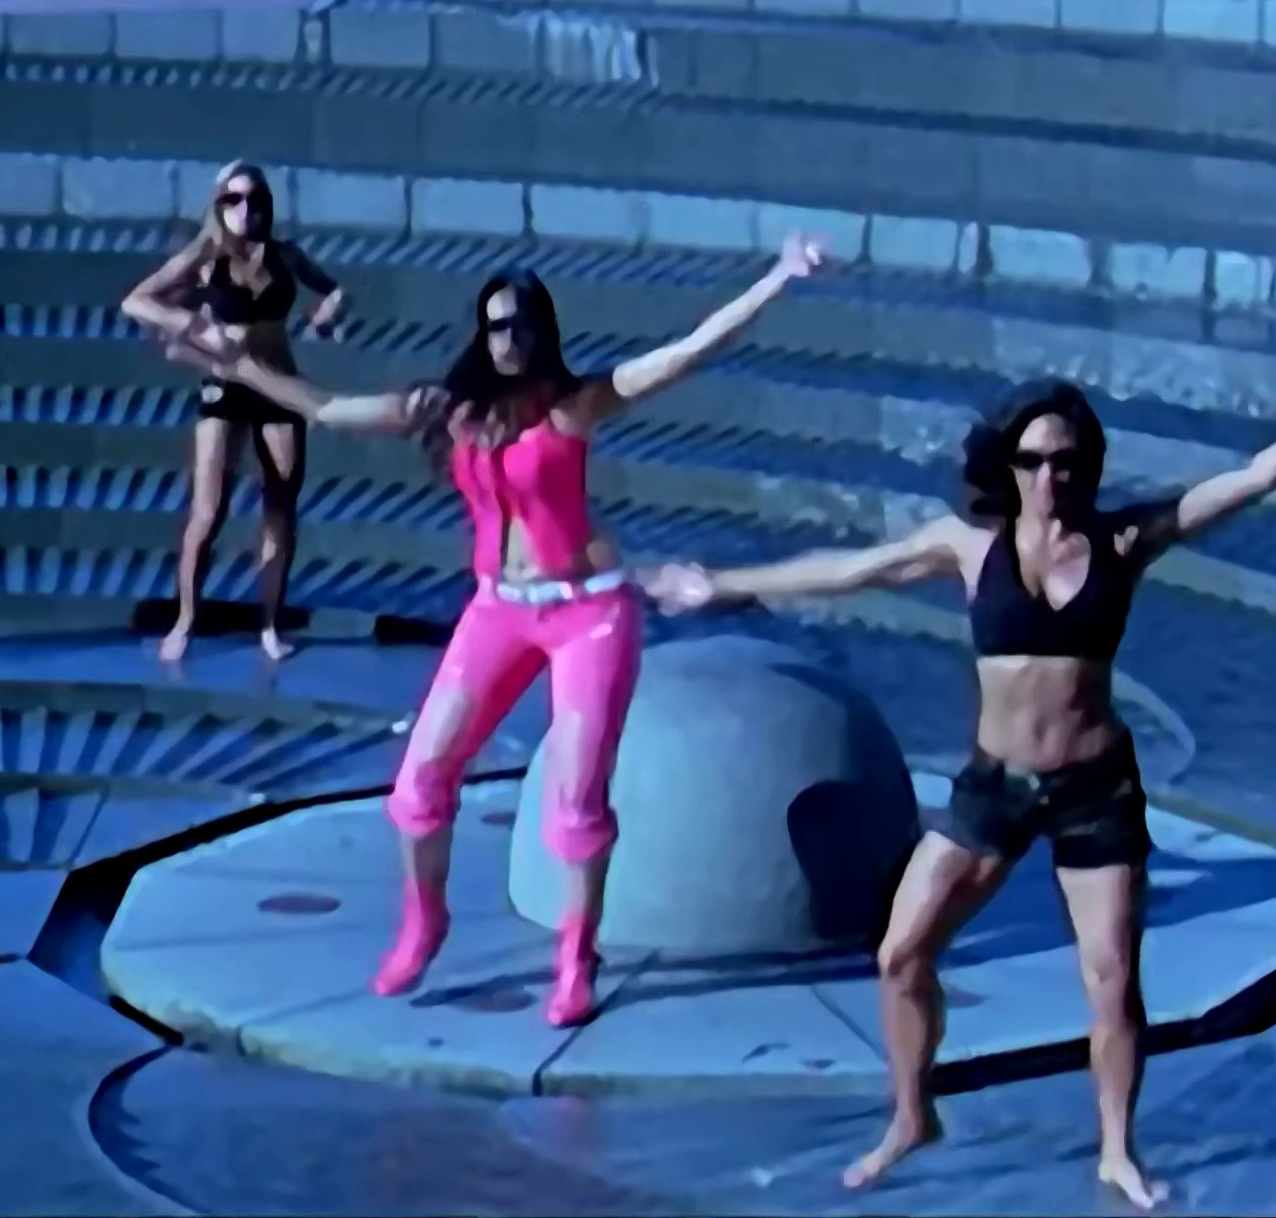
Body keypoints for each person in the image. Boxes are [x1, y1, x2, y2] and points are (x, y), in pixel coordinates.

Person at [643, 341, 1276, 1210]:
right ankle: (911, 1117)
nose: (1049, 478)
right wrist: (721, 585)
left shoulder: (1123, 540)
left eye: (1065, 462)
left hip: (1094, 792)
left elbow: (1257, 476)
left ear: (1087, 466)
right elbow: (850, 570)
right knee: (901, 953)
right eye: (1033, 460)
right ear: (1009, 463)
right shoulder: (969, 546)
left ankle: (1117, 1151)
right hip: (995, 787)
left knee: (1112, 981)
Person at [173, 236, 829, 1027]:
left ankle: (576, 958)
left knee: (576, 801)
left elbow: (688, 352)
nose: (508, 339)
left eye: (520, 325)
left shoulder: (574, 404)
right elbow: (326, 408)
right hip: (499, 608)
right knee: (419, 783)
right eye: (494, 326)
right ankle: (425, 921)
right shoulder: (455, 411)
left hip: (589, 612)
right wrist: (236, 366)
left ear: (542, 331)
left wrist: (778, 278)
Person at [120, 161, 346, 665]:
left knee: (280, 507)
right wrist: (192, 326)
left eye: (255, 200)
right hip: (226, 382)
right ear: (218, 204)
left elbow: (334, 289)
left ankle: (269, 624)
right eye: (233, 199)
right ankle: (185, 618)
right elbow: (136, 302)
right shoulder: (205, 254)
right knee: (208, 509)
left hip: (277, 383)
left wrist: (329, 312)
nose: (245, 210)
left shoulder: (284, 254)